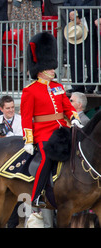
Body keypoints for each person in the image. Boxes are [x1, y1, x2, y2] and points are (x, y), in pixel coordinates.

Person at [21, 31, 82, 208]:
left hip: (61, 129)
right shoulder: (30, 91)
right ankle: (36, 196)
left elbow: (67, 107)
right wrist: (28, 139)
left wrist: (74, 118)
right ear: (40, 70)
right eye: (49, 68)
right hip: (43, 133)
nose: (52, 70)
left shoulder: (58, 87)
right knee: (47, 157)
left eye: (52, 67)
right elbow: (26, 117)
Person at [63, 0, 97, 94]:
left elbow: (94, 1)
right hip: (74, 27)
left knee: (90, 55)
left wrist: (79, 13)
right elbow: (66, 0)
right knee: (74, 55)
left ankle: (90, 85)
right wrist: (71, 13)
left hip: (87, 23)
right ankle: (77, 84)